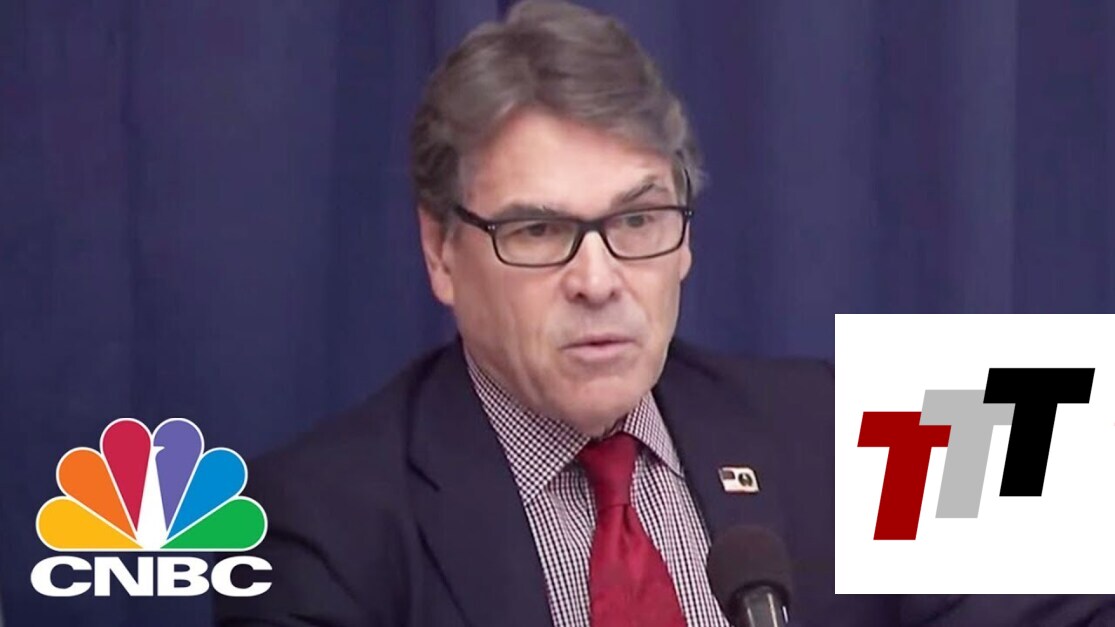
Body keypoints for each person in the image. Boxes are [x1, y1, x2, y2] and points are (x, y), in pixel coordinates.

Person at [215, 2, 1113, 625]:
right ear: (441, 251)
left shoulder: (859, 419)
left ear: (684, 237)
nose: (598, 278)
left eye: (637, 219)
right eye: (538, 229)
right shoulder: (308, 520)